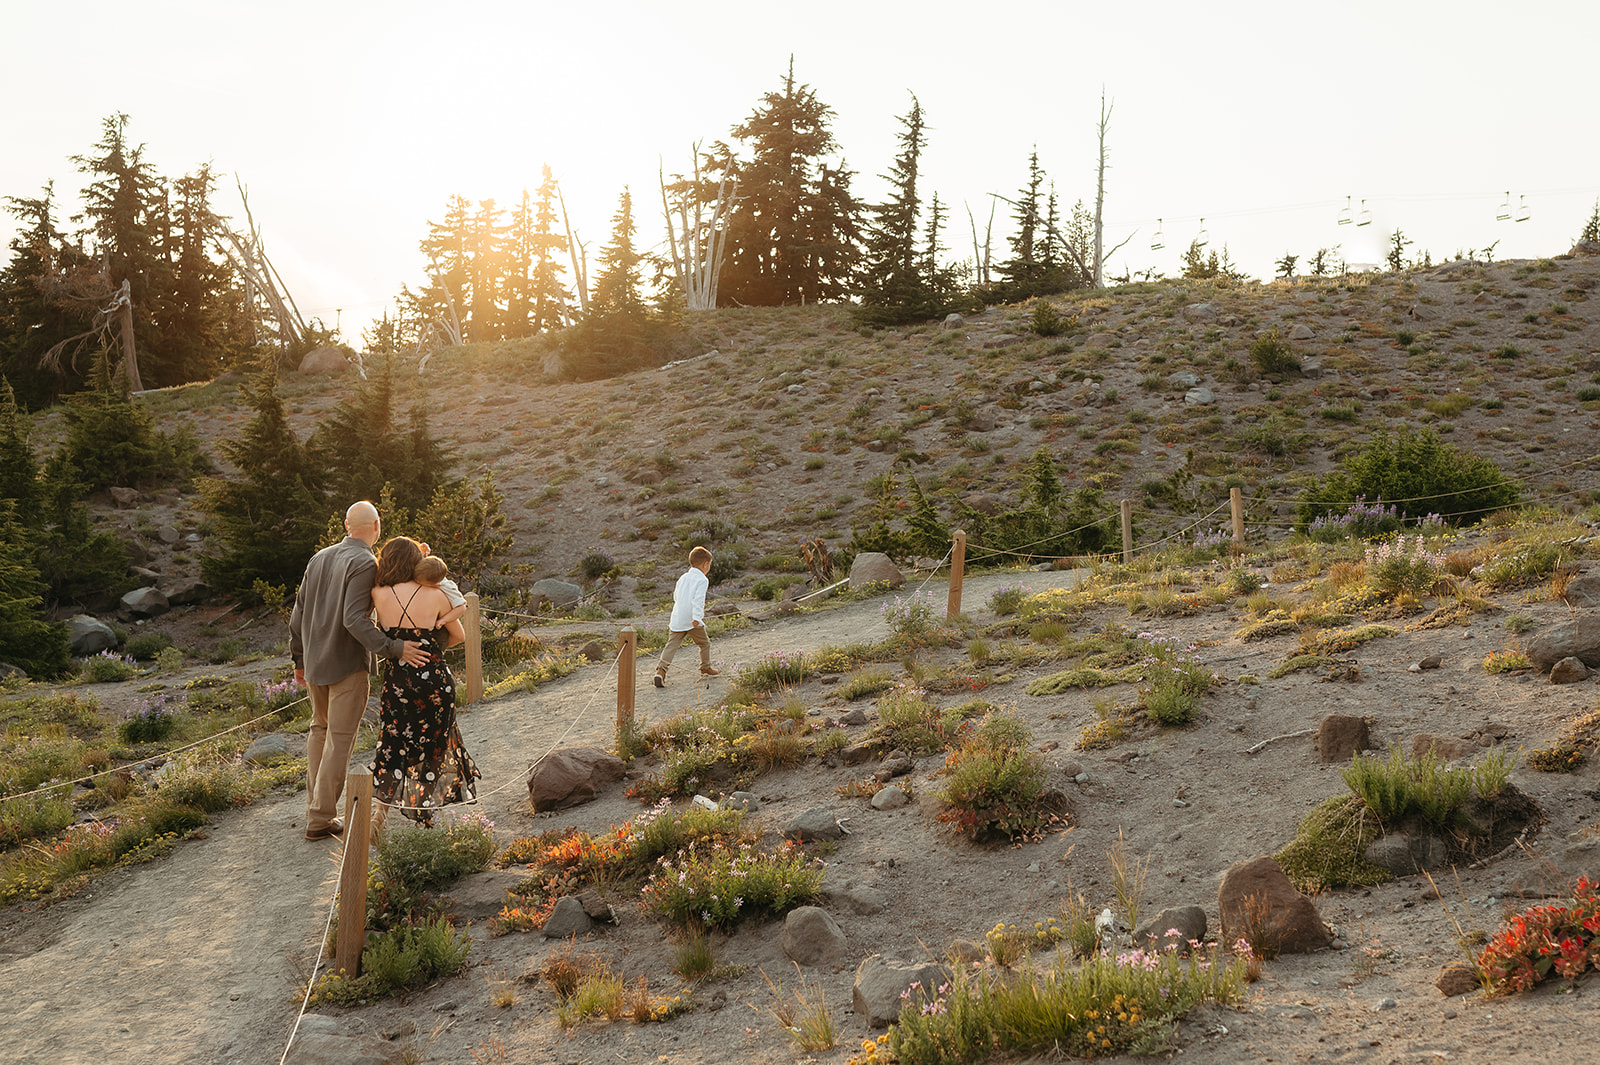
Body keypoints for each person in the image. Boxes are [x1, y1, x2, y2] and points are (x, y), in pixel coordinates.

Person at [289, 501, 428, 841]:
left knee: (319, 732)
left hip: (315, 662)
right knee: (338, 739)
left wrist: (299, 660)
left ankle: (315, 809)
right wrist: (394, 649)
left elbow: (297, 614)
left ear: (347, 525)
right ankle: (320, 818)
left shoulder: (319, 557)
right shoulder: (365, 562)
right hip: (346, 664)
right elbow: (354, 618)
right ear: (377, 526)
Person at [368, 536, 480, 829]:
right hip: (434, 680)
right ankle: (422, 812)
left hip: (398, 682)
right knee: (432, 746)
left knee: (392, 744)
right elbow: (459, 636)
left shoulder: (378, 592)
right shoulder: (437, 595)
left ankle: (379, 815)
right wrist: (431, 648)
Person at [653, 545, 719, 687]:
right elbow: (698, 599)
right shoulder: (702, 579)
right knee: (704, 643)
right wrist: (697, 617)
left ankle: (660, 671)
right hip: (691, 619)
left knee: (671, 645)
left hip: (677, 617)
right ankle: (705, 667)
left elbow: (676, 596)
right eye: (709, 565)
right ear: (705, 564)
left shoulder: (683, 577)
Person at [414, 554, 467, 629]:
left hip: (441, 624)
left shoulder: (447, 587)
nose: (416, 582)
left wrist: (443, 620)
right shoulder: (425, 570)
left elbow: (461, 607)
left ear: (436, 585)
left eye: (419, 582)